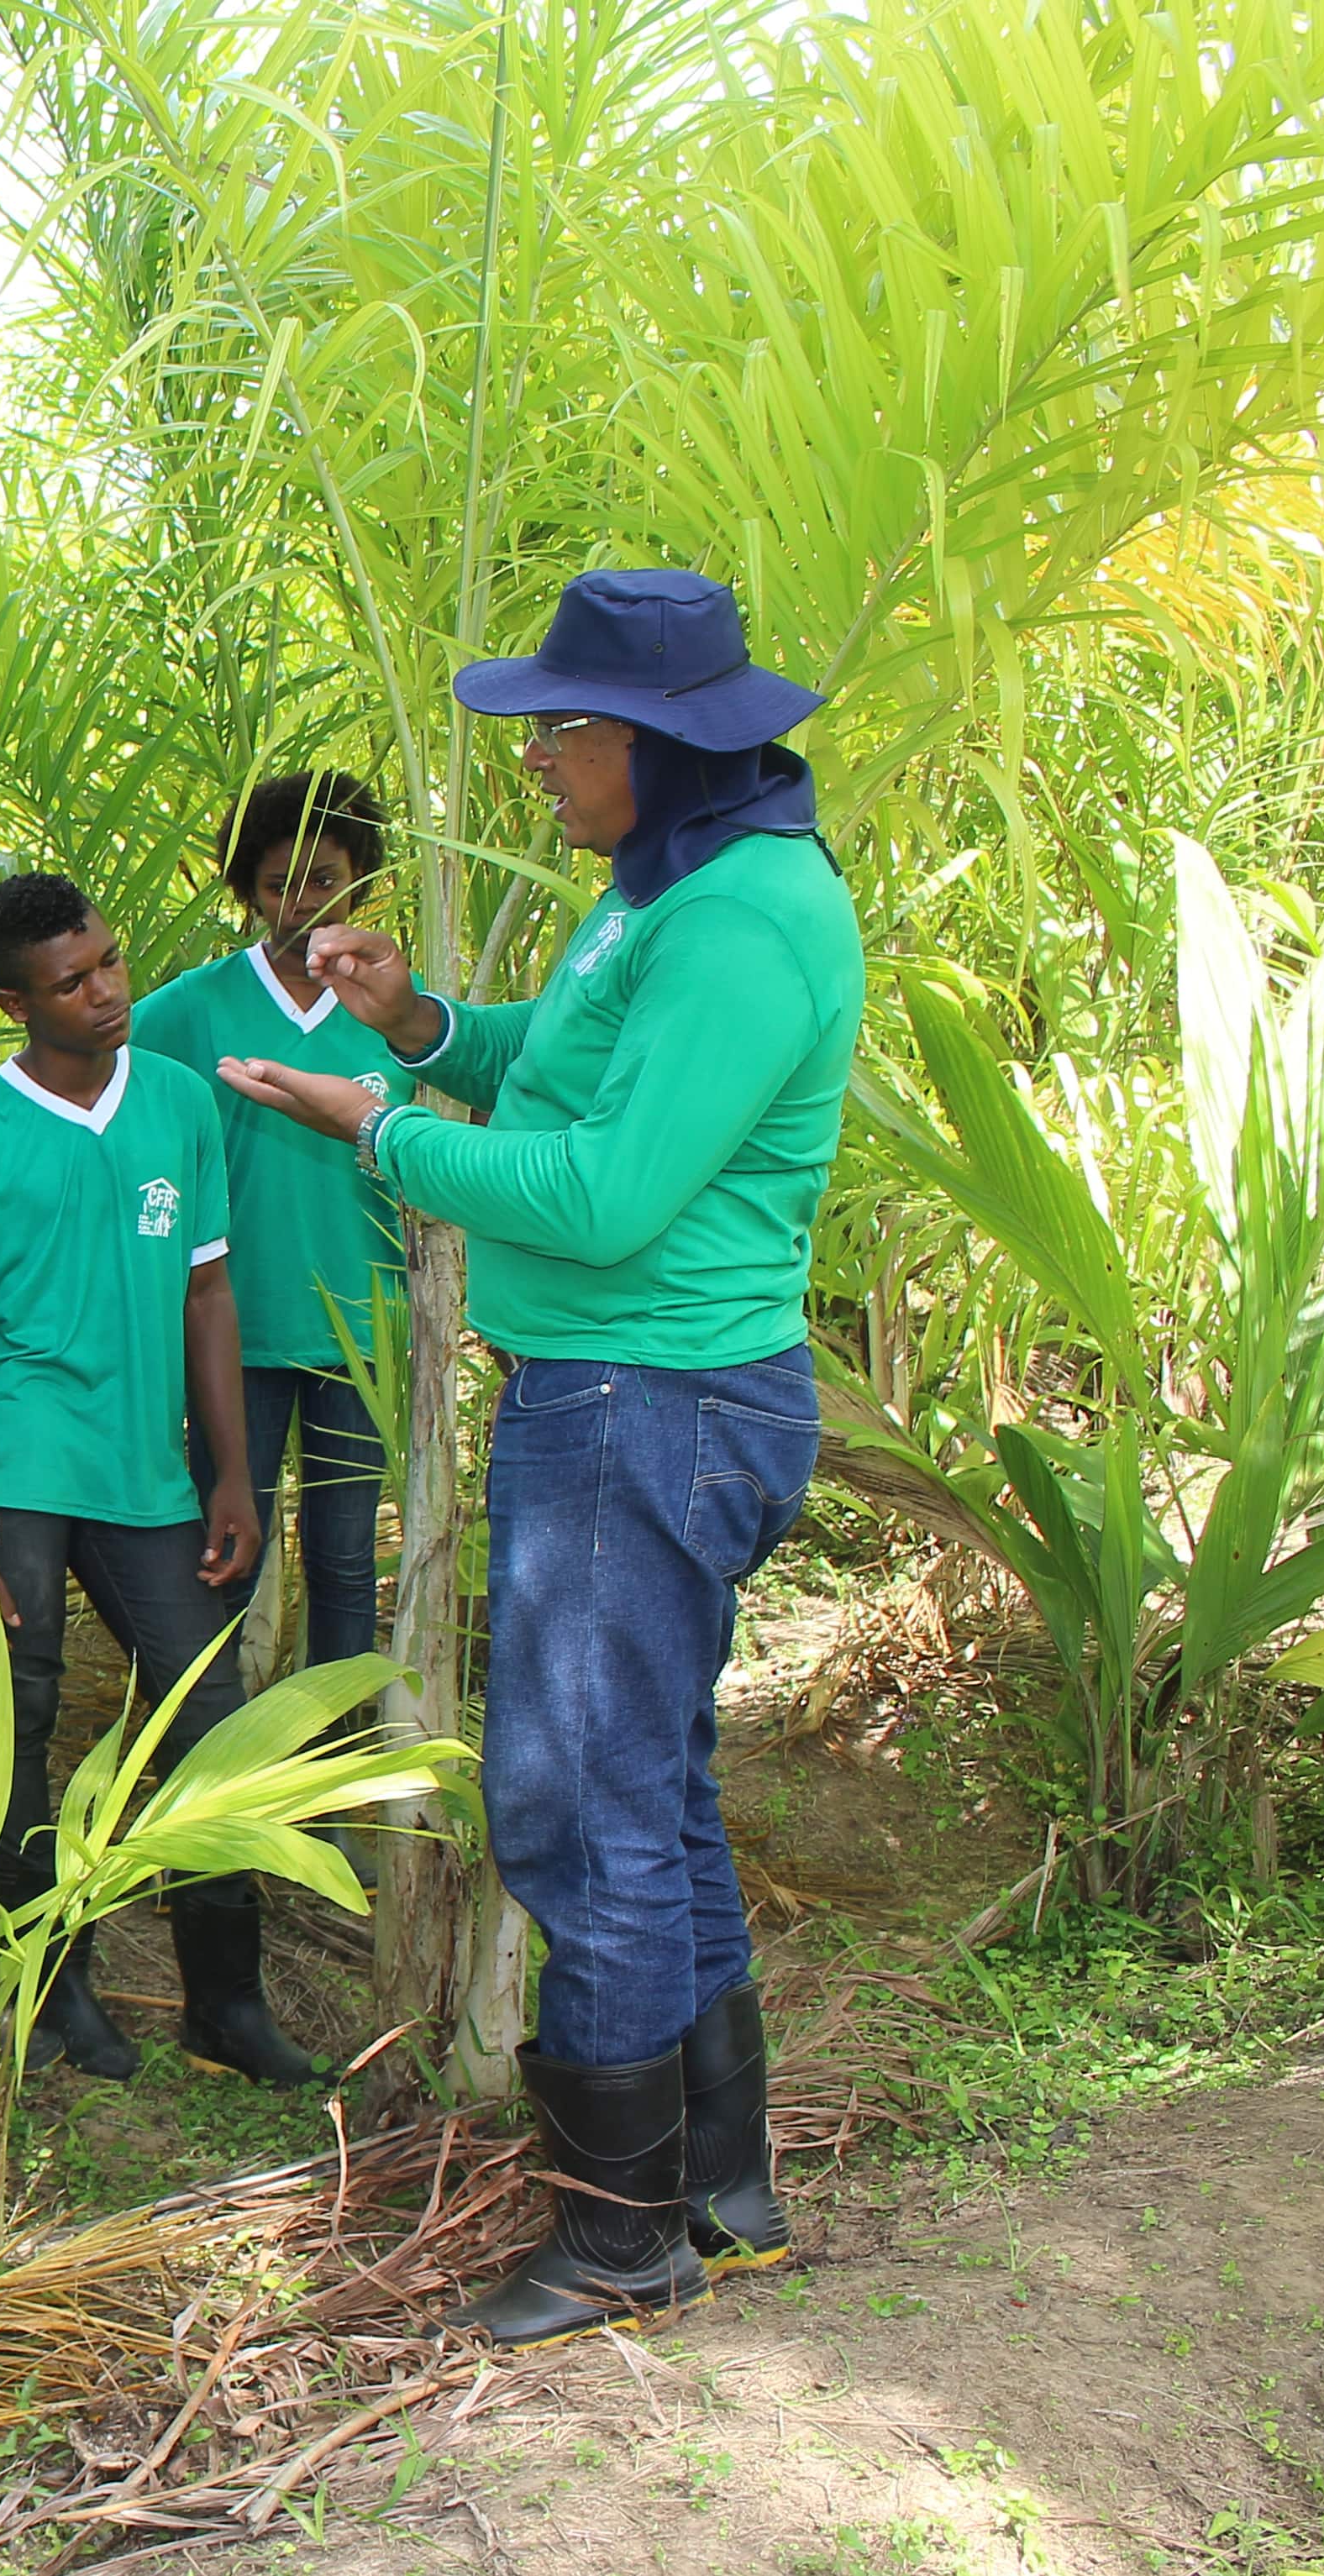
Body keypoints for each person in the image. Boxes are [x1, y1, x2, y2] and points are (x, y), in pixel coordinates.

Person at [220, 567, 859, 2347]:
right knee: (646, 1788)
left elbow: (601, 1189)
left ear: (652, 745)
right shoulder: (663, 890)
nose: (540, 767)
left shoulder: (737, 925)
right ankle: (714, 2187)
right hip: (625, 1391)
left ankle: (618, 2232)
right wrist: (416, 1021)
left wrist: (384, 1133)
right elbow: (562, 1078)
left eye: (560, 734)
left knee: (580, 1805)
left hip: (648, 1399)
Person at [0, 874, 314, 2088]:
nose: (105, 993)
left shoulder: (182, 1105)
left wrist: (233, 1472)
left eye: (110, 963)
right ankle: (53, 1988)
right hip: (21, 1464)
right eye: (72, 981)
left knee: (204, 1721)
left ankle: (225, 2002)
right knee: (20, 1725)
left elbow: (206, 1291)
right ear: (12, 1001)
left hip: (148, 1471)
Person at [129, 772, 403, 1696]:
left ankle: (337, 1772)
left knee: (347, 1561)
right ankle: (225, 1773)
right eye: (281, 881)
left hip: (364, 1334)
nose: (303, 904)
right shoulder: (185, 1013)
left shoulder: (400, 1013)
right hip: (229, 1335)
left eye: (325, 879)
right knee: (227, 1551)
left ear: (362, 879)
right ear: (247, 886)